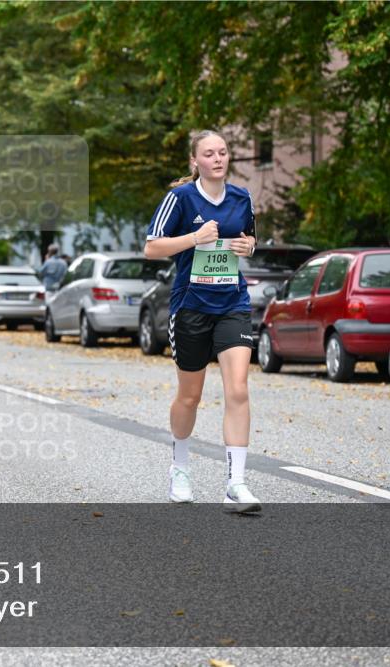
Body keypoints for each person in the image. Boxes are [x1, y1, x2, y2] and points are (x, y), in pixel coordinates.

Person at [143, 129, 261, 514]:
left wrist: (248, 246)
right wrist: (194, 237)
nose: (217, 158)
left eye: (223, 152)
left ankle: (236, 483)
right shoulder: (180, 199)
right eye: (209, 153)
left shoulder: (242, 198)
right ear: (195, 161)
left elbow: (249, 239)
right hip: (191, 307)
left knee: (238, 389)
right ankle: (179, 468)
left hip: (232, 303)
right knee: (190, 396)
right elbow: (151, 247)